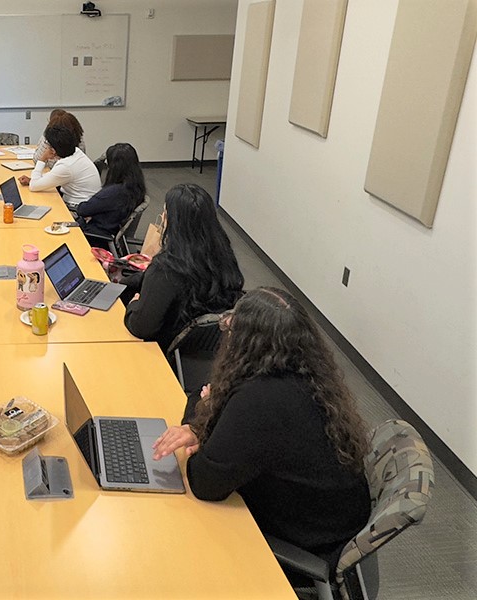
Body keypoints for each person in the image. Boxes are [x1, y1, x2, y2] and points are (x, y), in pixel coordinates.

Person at [152, 287, 372, 570]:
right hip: (334, 513)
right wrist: (203, 419)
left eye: (231, 328)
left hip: (311, 538)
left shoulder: (261, 400)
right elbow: (209, 400)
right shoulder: (308, 378)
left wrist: (202, 414)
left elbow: (204, 483)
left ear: (247, 343)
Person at [123, 183, 243, 353]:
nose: (162, 217)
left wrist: (133, 305)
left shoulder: (166, 269)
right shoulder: (223, 255)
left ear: (174, 223)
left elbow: (141, 327)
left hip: (162, 352)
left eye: (165, 213)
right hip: (202, 351)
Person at [19, 124, 101, 208]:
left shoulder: (66, 166)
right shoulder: (76, 152)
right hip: (88, 203)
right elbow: (54, 175)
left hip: (77, 208)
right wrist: (32, 180)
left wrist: (42, 159)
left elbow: (34, 186)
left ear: (53, 150)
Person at [75, 142, 145, 238]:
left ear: (115, 166)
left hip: (94, 236)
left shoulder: (114, 192)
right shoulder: (136, 186)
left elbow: (82, 210)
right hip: (109, 229)